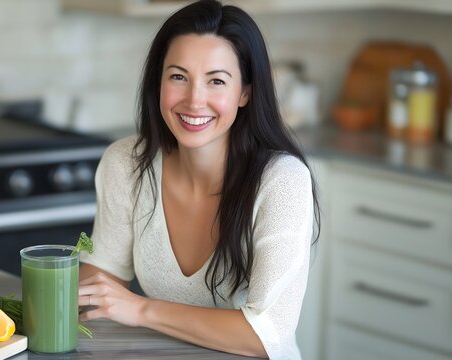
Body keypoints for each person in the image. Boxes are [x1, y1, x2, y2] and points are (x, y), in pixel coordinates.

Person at [78, 1, 320, 358]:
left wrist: (141, 310)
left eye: (216, 81)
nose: (195, 100)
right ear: (157, 81)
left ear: (245, 93)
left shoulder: (282, 182)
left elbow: (266, 334)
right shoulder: (127, 163)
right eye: (178, 76)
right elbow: (97, 294)